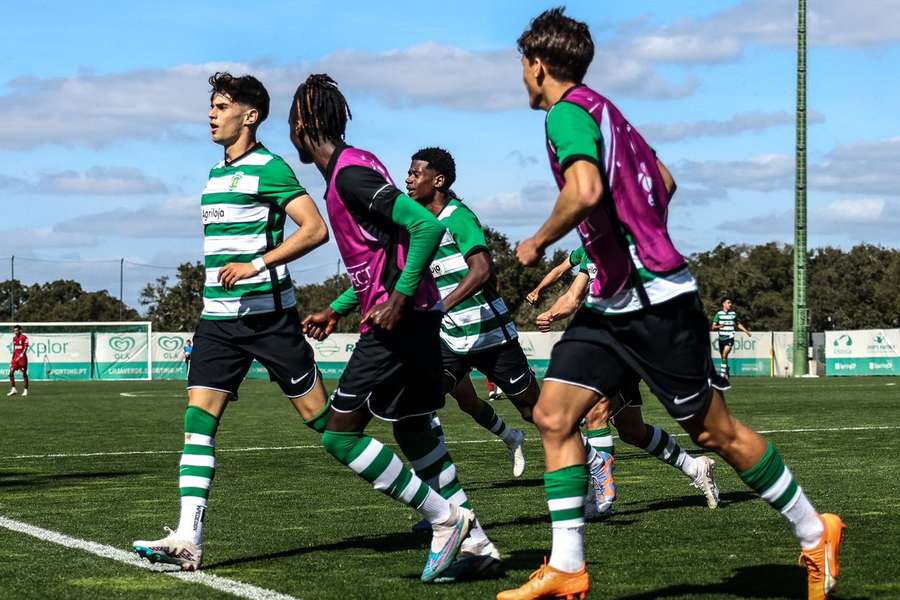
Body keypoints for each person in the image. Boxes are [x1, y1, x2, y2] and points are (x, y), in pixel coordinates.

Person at [499, 9, 844, 600]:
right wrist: (636, 233)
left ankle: (816, 533)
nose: (521, 78)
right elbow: (665, 178)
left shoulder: (565, 113)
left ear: (538, 65)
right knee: (553, 416)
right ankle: (567, 567)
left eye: (522, 67)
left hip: (654, 302)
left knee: (716, 434)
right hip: (611, 303)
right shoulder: (610, 112)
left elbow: (583, 190)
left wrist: (537, 240)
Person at [292, 74, 497, 582]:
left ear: (304, 124)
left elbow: (426, 227)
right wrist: (338, 306)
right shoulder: (353, 168)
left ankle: (445, 519)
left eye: (292, 123)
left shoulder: (348, 175)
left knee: (340, 438)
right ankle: (479, 545)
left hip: (400, 322)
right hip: (416, 317)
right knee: (411, 426)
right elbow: (387, 251)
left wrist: (400, 298)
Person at [133, 72, 334, 571]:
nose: (211, 114)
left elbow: (316, 229)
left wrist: (259, 263)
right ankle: (188, 536)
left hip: (268, 320)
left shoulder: (270, 168)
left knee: (329, 427)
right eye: (212, 106)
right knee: (197, 425)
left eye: (221, 106)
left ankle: (442, 509)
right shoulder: (214, 174)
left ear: (251, 115)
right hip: (218, 322)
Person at [537, 249, 719, 515]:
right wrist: (552, 314)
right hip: (607, 343)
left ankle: (602, 500)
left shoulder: (633, 246)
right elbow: (573, 297)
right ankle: (695, 467)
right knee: (631, 430)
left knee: (595, 411)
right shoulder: (590, 251)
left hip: (633, 342)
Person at [405, 146, 532, 478]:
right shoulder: (417, 225)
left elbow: (482, 270)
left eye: (416, 173)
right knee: (423, 403)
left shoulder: (458, 216)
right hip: (450, 338)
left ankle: (593, 460)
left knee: (538, 412)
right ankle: (441, 496)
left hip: (491, 335)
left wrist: (439, 307)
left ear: (439, 180)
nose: (408, 179)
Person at [712, 297, 752, 380]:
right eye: (728, 303)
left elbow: (737, 324)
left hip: (730, 337)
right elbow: (713, 327)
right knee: (724, 357)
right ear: (724, 304)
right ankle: (726, 369)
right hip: (721, 338)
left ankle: (722, 375)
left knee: (725, 354)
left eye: (731, 303)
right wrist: (719, 326)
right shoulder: (719, 314)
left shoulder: (733, 314)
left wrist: (746, 331)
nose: (730, 304)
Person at [8, 325, 29, 397]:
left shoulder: (24, 337)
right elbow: (14, 349)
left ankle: (25, 390)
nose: (15, 332)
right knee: (10, 373)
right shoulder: (14, 338)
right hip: (15, 359)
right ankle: (13, 389)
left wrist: (21, 355)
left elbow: (26, 347)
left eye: (16, 330)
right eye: (14, 331)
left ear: (20, 330)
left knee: (24, 374)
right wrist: (12, 359)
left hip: (22, 359)